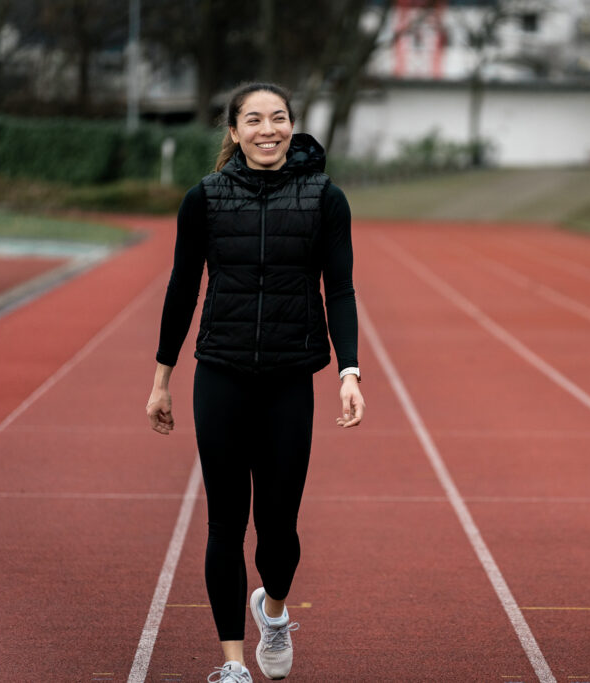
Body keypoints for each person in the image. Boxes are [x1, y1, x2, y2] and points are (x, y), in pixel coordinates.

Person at [146, 81, 365, 683]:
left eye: (279, 118)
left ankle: (272, 609)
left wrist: (349, 369)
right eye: (254, 120)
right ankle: (234, 664)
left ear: (292, 126)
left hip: (290, 378)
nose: (268, 130)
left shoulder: (325, 199)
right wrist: (161, 380)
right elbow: (182, 289)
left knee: (279, 531)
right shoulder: (205, 199)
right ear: (234, 131)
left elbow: (339, 290)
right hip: (220, 373)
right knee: (224, 523)